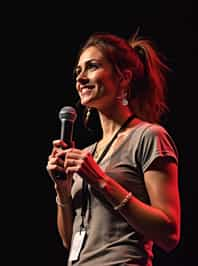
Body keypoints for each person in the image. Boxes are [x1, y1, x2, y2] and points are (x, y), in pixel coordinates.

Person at [46, 31, 181, 266]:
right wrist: (62, 188)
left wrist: (100, 180)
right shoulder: (87, 154)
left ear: (124, 78)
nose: (81, 78)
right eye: (78, 71)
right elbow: (69, 241)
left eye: (92, 67)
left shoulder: (149, 137)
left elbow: (169, 233)